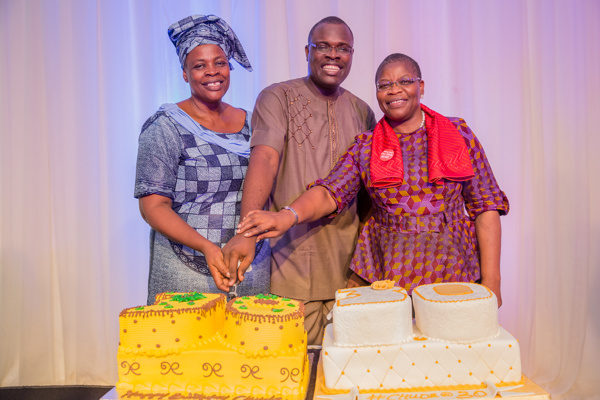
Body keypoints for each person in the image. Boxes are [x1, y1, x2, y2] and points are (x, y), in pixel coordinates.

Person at [237, 53, 509, 308]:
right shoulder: (367, 146)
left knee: (452, 356)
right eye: (384, 85)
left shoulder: (457, 133)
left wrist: (492, 280)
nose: (394, 90)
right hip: (387, 274)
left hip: (453, 269)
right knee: (389, 358)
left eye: (405, 81)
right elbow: (329, 192)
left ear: (421, 86)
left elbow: (485, 205)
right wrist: (286, 216)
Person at [223, 16, 376, 344]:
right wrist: (248, 232)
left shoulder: (363, 111)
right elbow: (264, 158)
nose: (333, 55)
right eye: (323, 46)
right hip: (292, 259)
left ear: (352, 55)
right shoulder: (278, 97)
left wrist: (370, 263)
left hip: (350, 265)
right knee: (293, 365)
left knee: (344, 371)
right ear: (307, 50)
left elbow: (367, 191)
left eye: (343, 48)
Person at [134, 15, 269, 305]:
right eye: (199, 65)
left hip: (249, 268)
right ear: (184, 73)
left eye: (219, 62)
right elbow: (152, 207)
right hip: (186, 271)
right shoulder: (166, 126)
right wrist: (207, 247)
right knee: (188, 349)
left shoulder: (252, 123)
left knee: (250, 348)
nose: (212, 72)